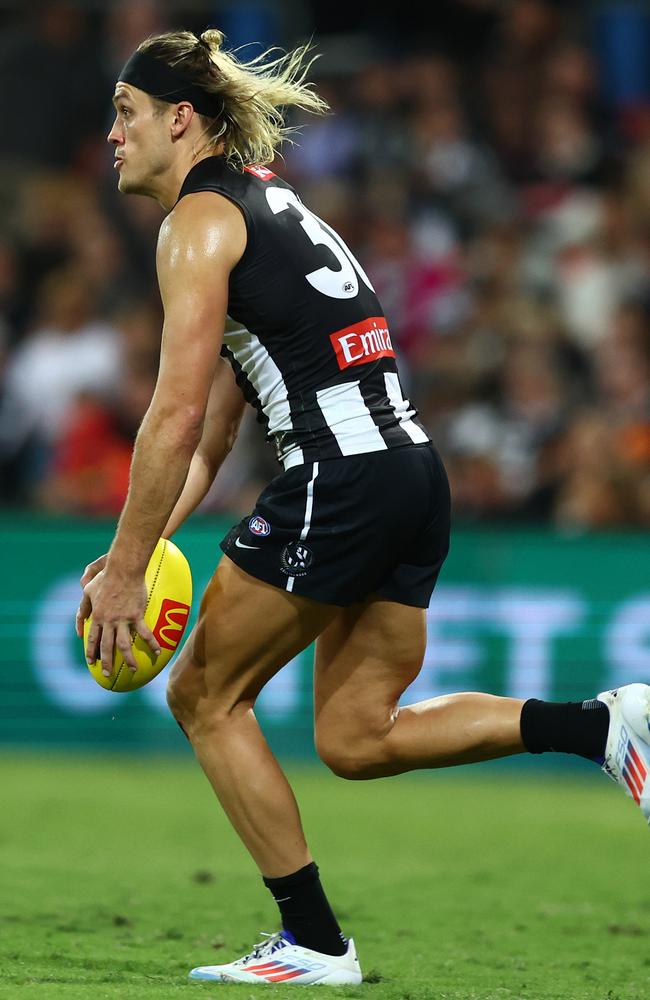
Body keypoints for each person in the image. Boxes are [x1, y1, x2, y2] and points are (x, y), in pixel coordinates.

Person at [76, 28, 650, 986]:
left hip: (338, 477)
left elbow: (173, 415)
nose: (112, 136)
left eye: (126, 115)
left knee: (204, 695)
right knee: (354, 735)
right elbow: (217, 428)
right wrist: (139, 543)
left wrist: (131, 569)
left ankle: (313, 942)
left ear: (182, 120)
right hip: (409, 472)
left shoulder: (198, 226)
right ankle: (601, 728)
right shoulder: (273, 210)